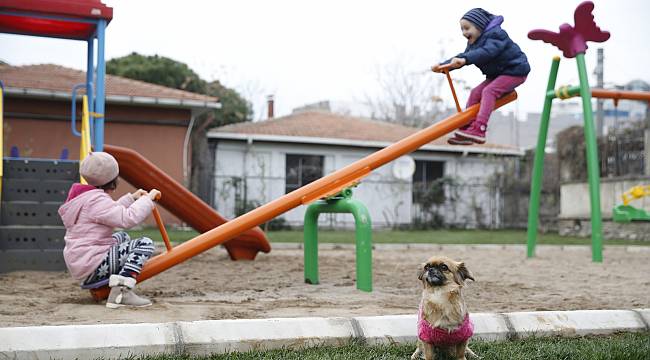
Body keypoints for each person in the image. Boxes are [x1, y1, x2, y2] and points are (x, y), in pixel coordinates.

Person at [58, 152, 161, 308]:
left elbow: (109, 212)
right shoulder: (97, 200)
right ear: (113, 178)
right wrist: (148, 200)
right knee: (145, 243)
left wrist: (131, 199)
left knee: (122, 237)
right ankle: (121, 292)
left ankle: (114, 283)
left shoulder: (85, 197)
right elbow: (127, 218)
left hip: (83, 261)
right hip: (92, 264)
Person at [432, 8, 530, 145]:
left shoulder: (496, 35)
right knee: (474, 94)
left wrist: (466, 59)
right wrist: (443, 66)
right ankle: (468, 127)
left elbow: (487, 52)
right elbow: (462, 57)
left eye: (467, 28)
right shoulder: (474, 43)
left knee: (489, 91)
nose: (464, 33)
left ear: (479, 26)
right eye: (462, 29)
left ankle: (479, 128)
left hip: (515, 71)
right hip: (498, 74)